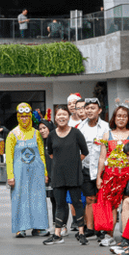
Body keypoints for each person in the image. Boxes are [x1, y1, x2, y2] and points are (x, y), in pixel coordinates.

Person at [96, 103, 129, 245]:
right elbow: (103, 157)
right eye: (118, 116)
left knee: (127, 205)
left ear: (128, 118)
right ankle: (109, 236)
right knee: (110, 206)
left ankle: (127, 236)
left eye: (124, 116)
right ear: (114, 118)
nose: (121, 119)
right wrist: (99, 176)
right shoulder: (106, 134)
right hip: (110, 176)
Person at [44, 105, 88, 245]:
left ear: (69, 117)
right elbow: (50, 153)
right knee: (60, 204)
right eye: (59, 115)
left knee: (77, 203)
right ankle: (57, 234)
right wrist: (61, 163)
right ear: (55, 118)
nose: (61, 117)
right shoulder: (51, 135)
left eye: (64, 114)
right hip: (57, 175)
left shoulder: (76, 133)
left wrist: (73, 163)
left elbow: (84, 151)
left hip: (73, 175)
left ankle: (81, 233)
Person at [6, 102, 49, 238]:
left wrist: (45, 173)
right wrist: (10, 175)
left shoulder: (36, 133)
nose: (24, 119)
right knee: (20, 198)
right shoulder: (12, 134)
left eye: (27, 116)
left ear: (30, 116)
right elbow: (9, 157)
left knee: (38, 198)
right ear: (18, 117)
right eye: (21, 116)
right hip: (19, 173)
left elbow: (42, 153)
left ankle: (39, 227)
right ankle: (21, 227)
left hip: (37, 171)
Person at [78, 98, 110, 239]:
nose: (89, 110)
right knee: (89, 198)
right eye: (87, 108)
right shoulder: (80, 127)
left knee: (102, 199)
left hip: (102, 169)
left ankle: (101, 227)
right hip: (85, 168)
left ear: (99, 110)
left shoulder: (106, 127)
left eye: (93, 108)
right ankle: (90, 228)